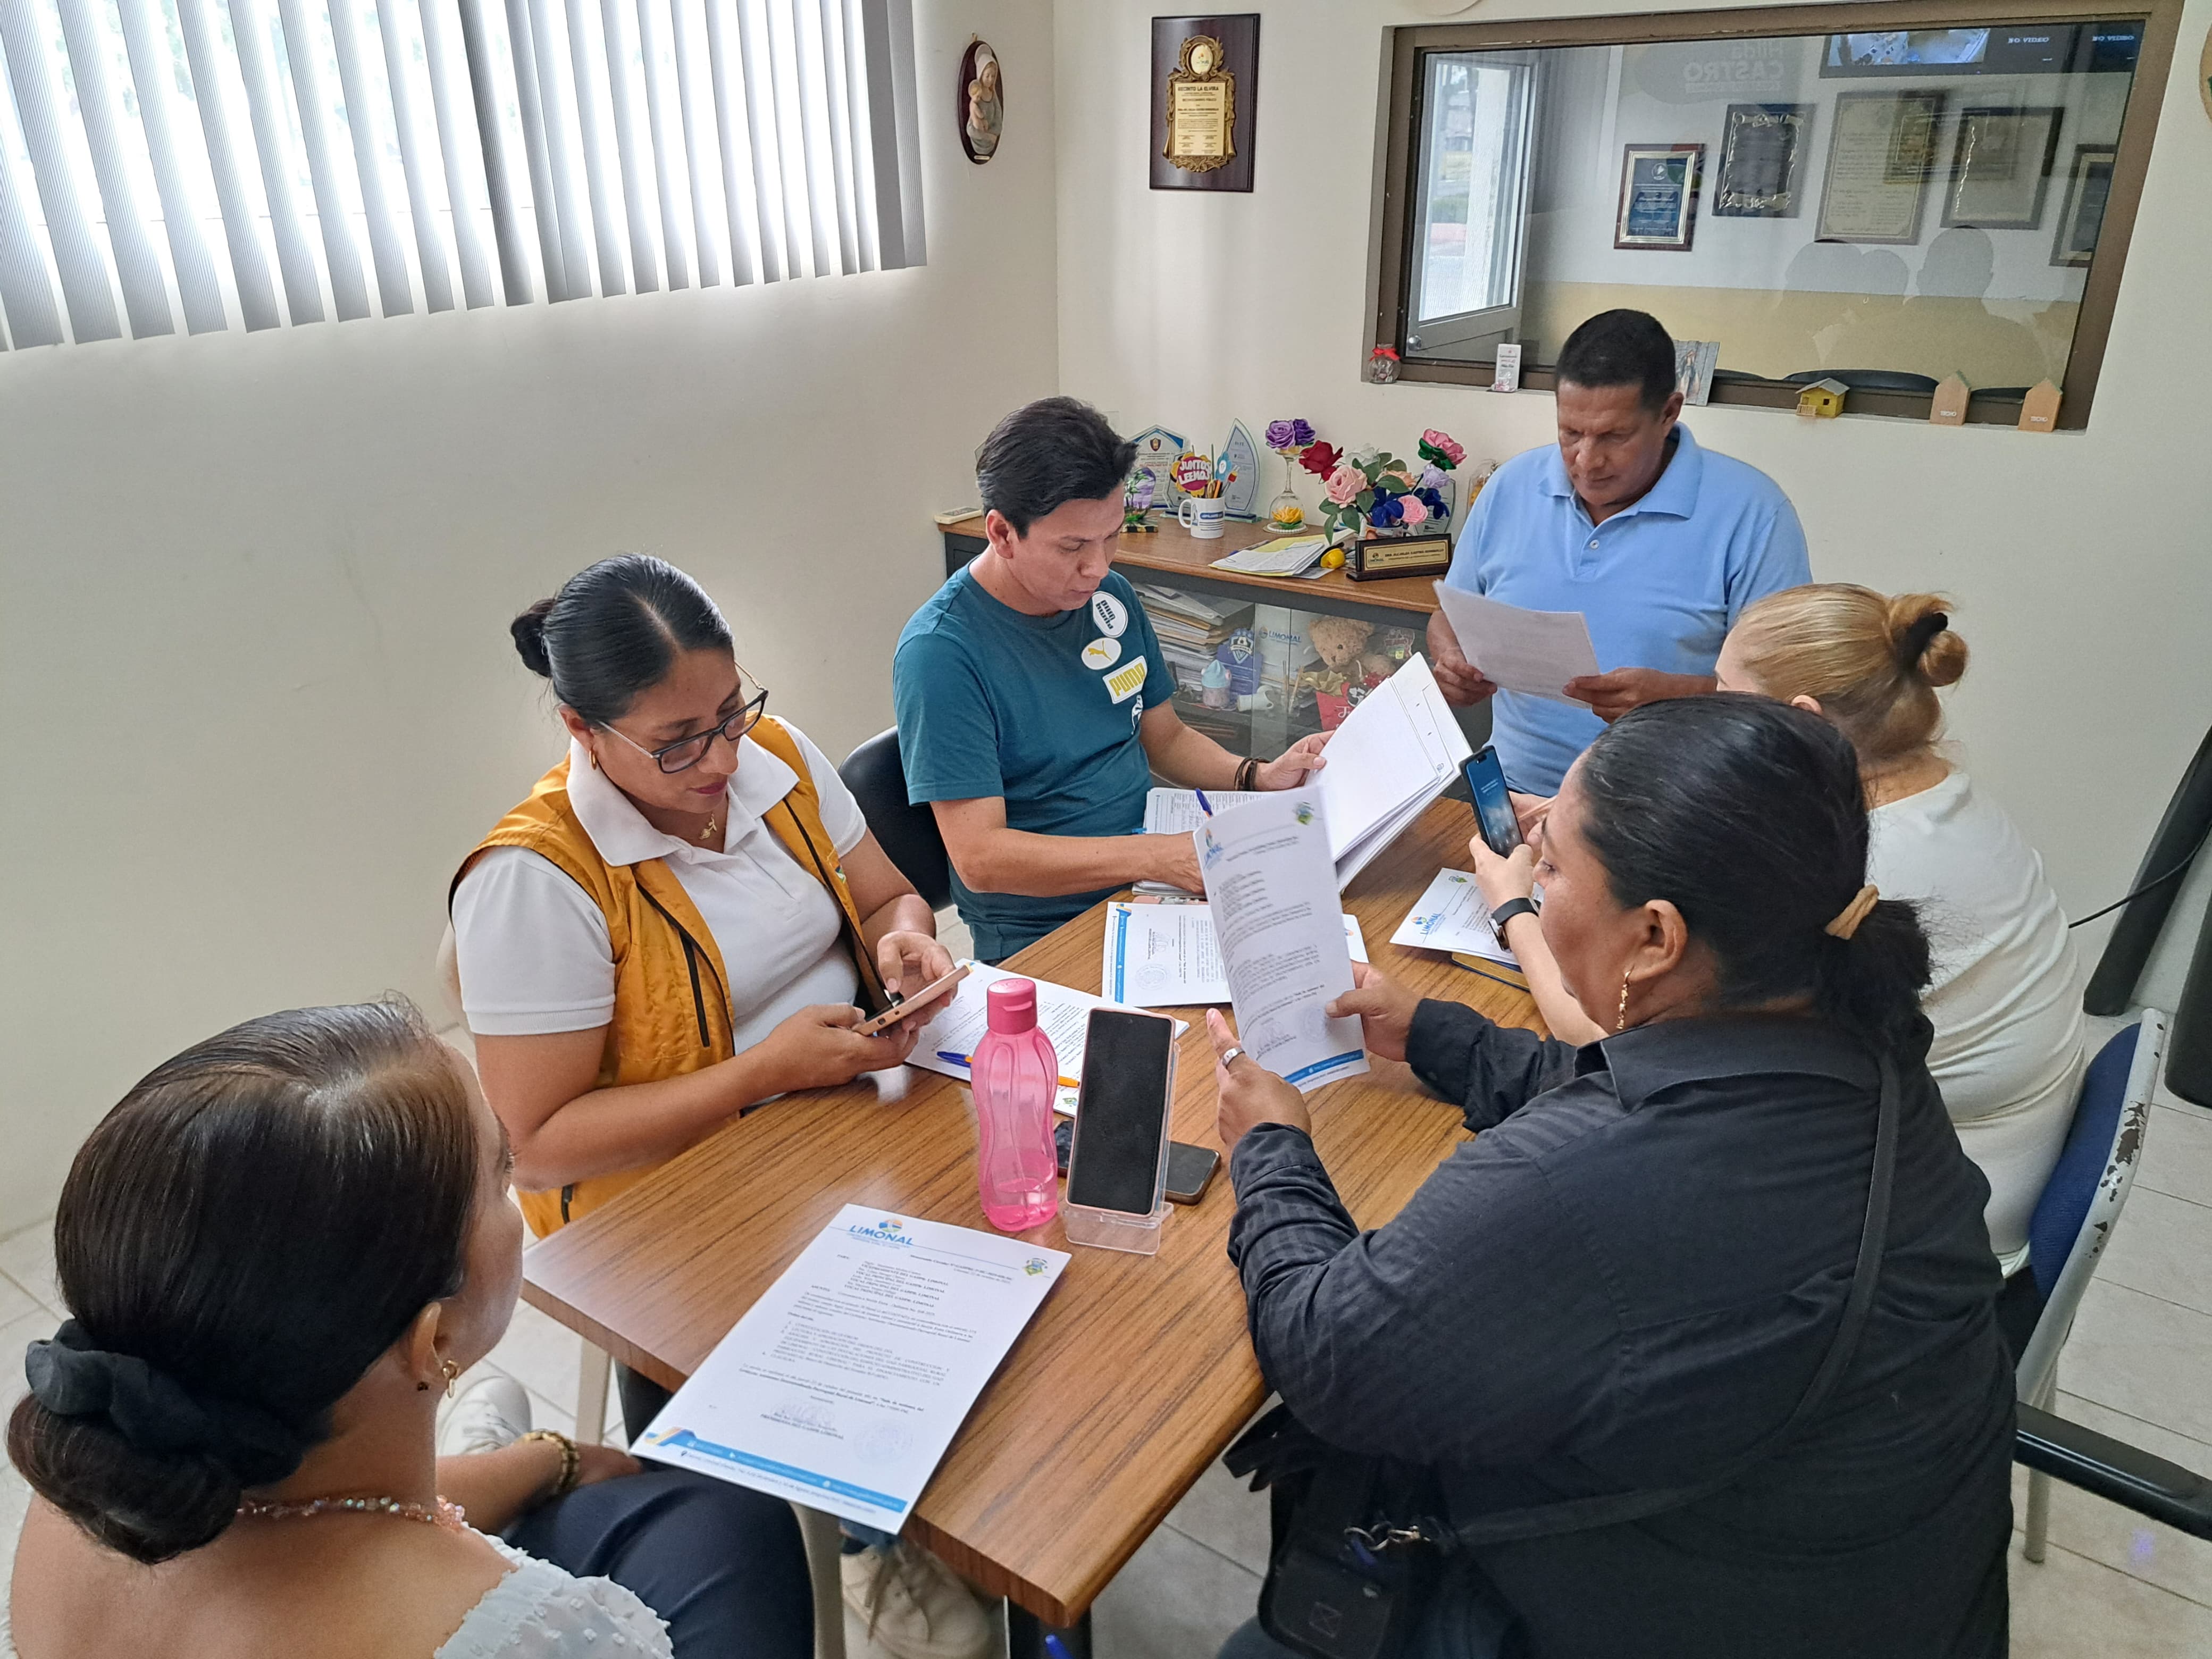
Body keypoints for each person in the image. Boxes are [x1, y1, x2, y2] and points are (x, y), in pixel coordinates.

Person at [1211, 697, 2013, 1659]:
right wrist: (1433, 1034)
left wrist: (1271, 1146)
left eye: (1549, 869)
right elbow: (1637, 1090)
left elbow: (1323, 1352)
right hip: (1865, 1589)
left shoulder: (1584, 1184)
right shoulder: (1857, 1038)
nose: (1533, 886)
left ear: (1657, 937)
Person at [451, 556, 989, 1657]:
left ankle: (932, 1506)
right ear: (583, 729)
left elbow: (889, 896)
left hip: (840, 1116)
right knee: (889, 1323)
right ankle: (865, 1538)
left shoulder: (776, 762)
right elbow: (536, 1148)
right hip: (668, 1206)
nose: (724, 759)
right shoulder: (538, 879)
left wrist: (905, 945)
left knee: (1005, 1256)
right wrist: (760, 1074)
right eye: (679, 742)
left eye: (732, 713)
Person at [6, 1000, 812, 1659]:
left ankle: (477, 1454)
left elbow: (304, 1512)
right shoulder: (555, 1637)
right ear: (434, 1343)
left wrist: (545, 1460)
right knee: (730, 1522)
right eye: (500, 1175)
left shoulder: (98, 1479)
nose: (511, 1195)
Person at [1476, 588, 2083, 1300]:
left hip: (1913, 1237)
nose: (1708, 709)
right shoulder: (1929, 796)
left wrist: (1515, 908)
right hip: (1950, 1162)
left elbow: (1611, 1032)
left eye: (1723, 692)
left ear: (1802, 722)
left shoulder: (1864, 870)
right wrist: (1582, 831)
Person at [895, 398, 1329, 961]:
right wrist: (1156, 857)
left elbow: (1165, 738)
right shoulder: (942, 654)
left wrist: (1258, 777)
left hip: (1149, 886)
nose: (1098, 567)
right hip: (1046, 930)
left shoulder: (1110, 599)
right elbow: (982, 859)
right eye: (1072, 547)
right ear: (1001, 533)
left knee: (1319, 954)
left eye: (1112, 537)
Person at [1428, 308, 1811, 795]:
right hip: (1515, 794)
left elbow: (1790, 690)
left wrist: (1678, 700)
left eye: (1614, 436)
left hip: (1674, 808)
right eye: (1570, 433)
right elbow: (1450, 614)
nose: (1587, 461)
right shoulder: (1510, 487)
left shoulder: (1753, 513)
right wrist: (1452, 659)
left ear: (1669, 413)